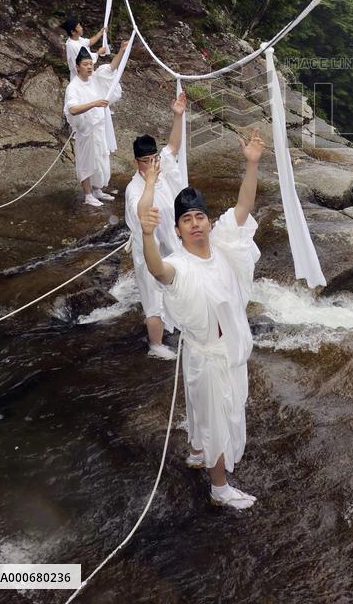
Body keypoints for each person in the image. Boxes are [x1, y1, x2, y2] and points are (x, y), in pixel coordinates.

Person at [138, 128, 265, 510]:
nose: (195, 224)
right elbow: (158, 270)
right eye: (186, 220)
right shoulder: (180, 263)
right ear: (177, 230)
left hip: (226, 350)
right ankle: (219, 487)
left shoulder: (224, 246)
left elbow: (243, 206)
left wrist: (252, 163)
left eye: (199, 217)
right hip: (205, 354)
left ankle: (196, 451)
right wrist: (147, 233)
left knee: (201, 411)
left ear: (208, 222)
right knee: (216, 419)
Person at [124, 92, 188, 361]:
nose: (153, 164)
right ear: (137, 162)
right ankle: (156, 345)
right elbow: (142, 212)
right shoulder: (134, 188)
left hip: (172, 244)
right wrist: (150, 180)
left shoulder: (161, 166)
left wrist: (177, 115)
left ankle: (183, 326)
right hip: (149, 251)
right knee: (153, 299)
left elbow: (172, 147)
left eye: (154, 159)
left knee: (180, 286)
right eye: (146, 161)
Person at [64, 41, 129, 207]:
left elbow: (111, 68)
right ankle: (87, 194)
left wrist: (121, 50)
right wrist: (93, 103)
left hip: (99, 127)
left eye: (90, 64)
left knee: (101, 158)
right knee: (86, 161)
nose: (89, 67)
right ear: (78, 67)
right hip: (85, 130)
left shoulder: (95, 78)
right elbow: (72, 109)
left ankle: (97, 189)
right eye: (85, 64)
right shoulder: (73, 87)